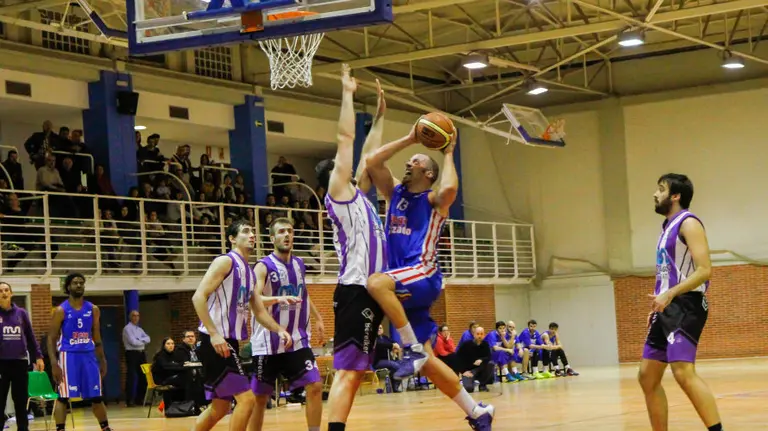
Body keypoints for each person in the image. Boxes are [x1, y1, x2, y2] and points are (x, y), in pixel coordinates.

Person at [365, 118, 495, 430]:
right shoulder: (394, 193)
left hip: (422, 274)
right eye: (408, 161)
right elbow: (372, 161)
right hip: (402, 283)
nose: (408, 163)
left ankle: (409, 347)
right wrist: (410, 138)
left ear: (429, 173)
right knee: (428, 363)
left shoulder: (434, 200)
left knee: (374, 282)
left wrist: (449, 151)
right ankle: (478, 412)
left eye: (416, 161)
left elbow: (450, 187)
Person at [321, 65, 390, 431]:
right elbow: (346, 140)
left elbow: (368, 154)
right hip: (355, 291)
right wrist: (347, 93)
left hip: (373, 290)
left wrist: (379, 117)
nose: (353, 169)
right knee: (347, 371)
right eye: (343, 167)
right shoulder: (338, 194)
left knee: (355, 371)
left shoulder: (361, 198)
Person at [638, 174, 723, 431]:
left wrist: (670, 294)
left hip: (686, 304)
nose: (655, 193)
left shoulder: (689, 223)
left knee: (683, 372)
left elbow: (704, 270)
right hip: (666, 307)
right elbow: (667, 273)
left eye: (661, 189)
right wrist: (659, 303)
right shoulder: (666, 228)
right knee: (647, 377)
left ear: (675, 196)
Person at [191, 220, 292, 431]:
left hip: (229, 342)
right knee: (247, 400)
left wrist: (279, 328)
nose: (252, 235)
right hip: (215, 342)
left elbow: (258, 307)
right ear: (232, 239)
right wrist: (213, 334)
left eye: (253, 231)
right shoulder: (225, 262)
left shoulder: (248, 271)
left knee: (220, 407)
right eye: (246, 231)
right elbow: (198, 297)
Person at [247, 217, 325, 431]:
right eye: (281, 231)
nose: (287, 235)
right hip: (267, 342)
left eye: (289, 231)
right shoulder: (263, 266)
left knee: (315, 385)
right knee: (260, 398)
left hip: (297, 340)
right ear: (272, 238)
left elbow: (303, 293)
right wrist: (277, 299)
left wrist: (317, 317)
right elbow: (253, 299)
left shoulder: (300, 264)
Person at [47, 273, 111, 431]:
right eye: (75, 283)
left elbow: (96, 336)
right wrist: (54, 363)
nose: (79, 285)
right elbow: (51, 338)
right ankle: (60, 428)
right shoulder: (61, 310)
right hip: (68, 356)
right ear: (68, 286)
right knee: (63, 397)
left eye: (81, 283)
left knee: (96, 396)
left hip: (89, 356)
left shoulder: (93, 309)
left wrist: (102, 359)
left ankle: (105, 427)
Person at [0, 282, 45, 431]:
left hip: (19, 362)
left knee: (20, 401)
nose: (4, 293)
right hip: (1, 363)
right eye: (0, 291)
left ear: (11, 293)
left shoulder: (21, 313)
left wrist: (38, 356)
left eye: (6, 290)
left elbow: (31, 338)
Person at [122, 310, 150, 407]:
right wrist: (142, 341)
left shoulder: (139, 329)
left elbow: (148, 339)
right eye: (134, 316)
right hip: (131, 353)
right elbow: (133, 342)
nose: (136, 317)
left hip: (141, 353)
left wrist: (140, 340)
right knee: (131, 376)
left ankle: (140, 399)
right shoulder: (127, 328)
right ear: (130, 317)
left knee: (143, 376)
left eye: (137, 316)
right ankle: (129, 400)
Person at [456, 326, 494, 393]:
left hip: (481, 369)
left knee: (491, 364)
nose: (480, 336)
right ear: (474, 334)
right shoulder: (466, 345)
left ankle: (482, 384)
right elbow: (457, 358)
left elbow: (489, 357)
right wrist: (463, 371)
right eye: (478, 334)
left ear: (484, 335)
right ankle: (472, 382)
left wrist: (481, 360)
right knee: (469, 389)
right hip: (469, 371)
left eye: (481, 334)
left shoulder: (485, 344)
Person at [150, 337, 185, 409]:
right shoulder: (160, 355)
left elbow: (179, 364)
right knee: (183, 379)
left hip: (170, 376)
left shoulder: (175, 354)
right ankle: (175, 406)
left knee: (186, 379)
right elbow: (166, 366)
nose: (171, 345)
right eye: (168, 344)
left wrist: (177, 365)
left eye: (172, 344)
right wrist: (177, 365)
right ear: (164, 345)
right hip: (161, 379)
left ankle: (182, 405)